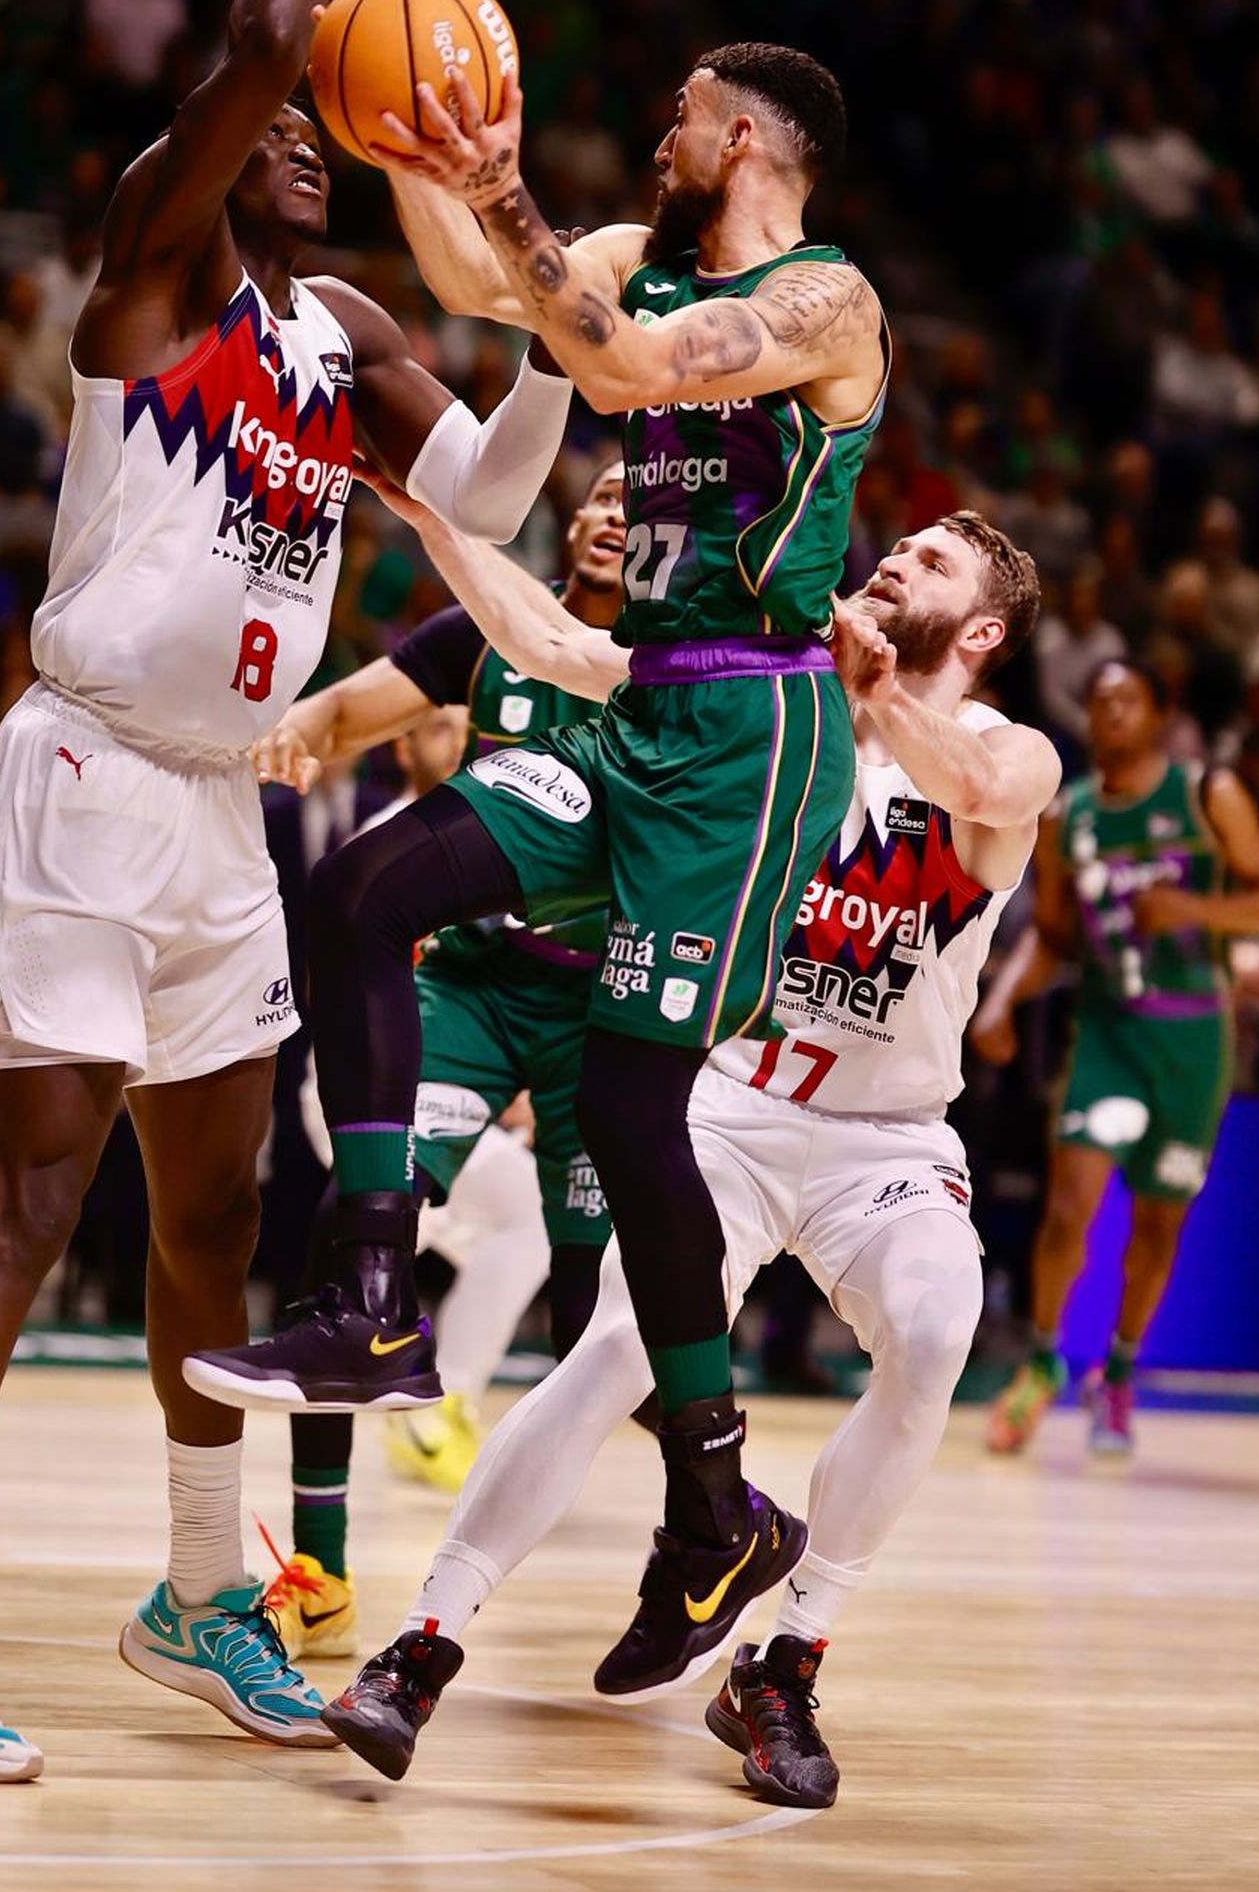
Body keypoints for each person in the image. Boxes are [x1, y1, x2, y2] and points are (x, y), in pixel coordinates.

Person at [0, 0, 578, 1782]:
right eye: (286, 122)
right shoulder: (157, 266)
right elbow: (248, 52)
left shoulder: (354, 335)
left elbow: (483, 494)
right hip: (82, 777)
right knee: (31, 1197)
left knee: (214, 1223)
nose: (306, 134)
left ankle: (197, 1589)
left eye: (331, 126)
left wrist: (550, 332)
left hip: (225, 813)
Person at [187, 39, 892, 1703]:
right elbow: (474, 281)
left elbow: (628, 369)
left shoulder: (825, 301)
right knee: (361, 892)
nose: (658, 134)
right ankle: (375, 1290)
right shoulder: (640, 257)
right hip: (634, 701)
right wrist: (418, 145)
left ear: (741, 135)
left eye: (679, 114)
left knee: (637, 1114)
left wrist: (509, 195)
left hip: (751, 734)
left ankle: (712, 1500)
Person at [318, 512, 1057, 1803]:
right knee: (616, 1346)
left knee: (939, 1325)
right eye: (897, 545)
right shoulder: (768, 690)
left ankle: (785, 1662)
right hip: (728, 1100)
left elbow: (987, 795)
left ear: (984, 628)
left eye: (934, 563)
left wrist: (880, 689)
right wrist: (435, 512)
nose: (896, 558)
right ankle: (421, 1644)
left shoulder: (1009, 749)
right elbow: (555, 644)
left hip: (886, 1137)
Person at [250, 461, 627, 1660]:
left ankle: (705, 1532)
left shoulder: (681, 665)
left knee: (602, 1315)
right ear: (573, 521)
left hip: (605, 1004)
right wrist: (297, 728)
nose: (617, 512)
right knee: (350, 1222)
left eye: (642, 500)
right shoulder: (488, 633)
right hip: (474, 983)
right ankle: (320, 1565)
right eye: (603, 494)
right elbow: (343, 712)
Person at [973, 660, 1259, 1460]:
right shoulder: (1070, 815)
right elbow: (1052, 936)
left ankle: (1116, 1374)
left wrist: (1194, 908)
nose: (1111, 712)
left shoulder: (1208, 793)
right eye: (1099, 700)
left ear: (1160, 714)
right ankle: (1041, 1363)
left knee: (1158, 1219)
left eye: (1127, 699)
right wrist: (1001, 1000)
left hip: (1193, 1042)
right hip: (1108, 1032)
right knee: (1068, 1202)